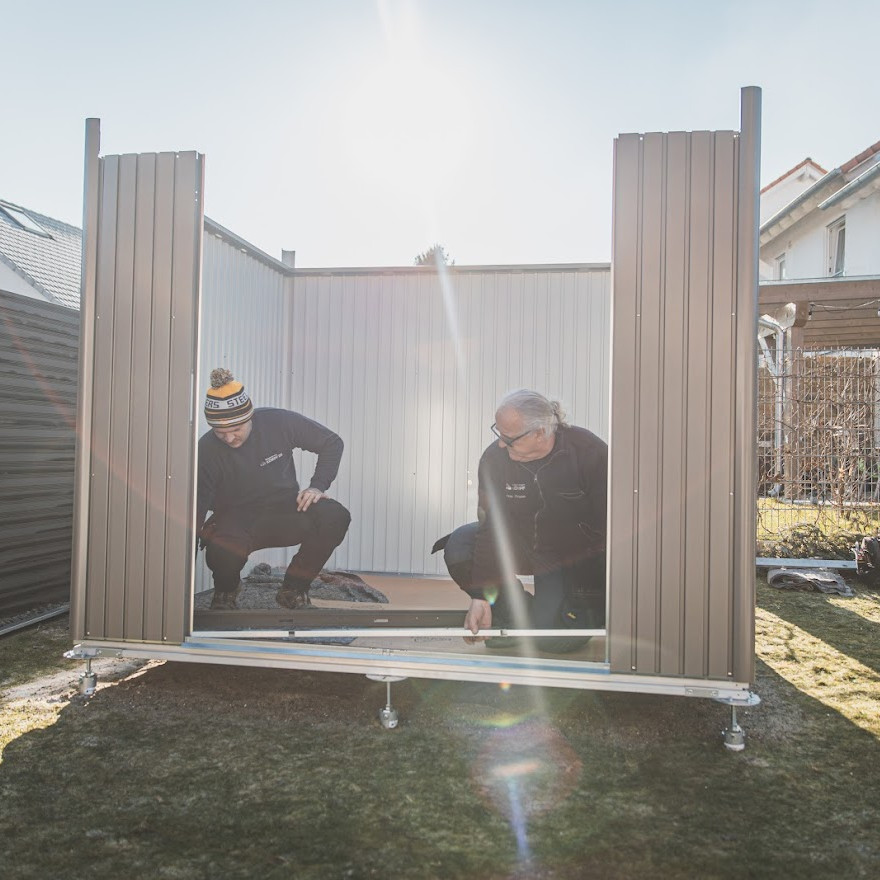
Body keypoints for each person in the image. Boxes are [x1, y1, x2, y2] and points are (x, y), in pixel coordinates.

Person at [435, 389, 607, 651]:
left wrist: (593, 597)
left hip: (571, 561)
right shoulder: (495, 459)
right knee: (461, 544)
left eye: (509, 438)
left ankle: (552, 620)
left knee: (553, 643)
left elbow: (611, 530)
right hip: (525, 545)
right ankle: (512, 616)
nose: (501, 444)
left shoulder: (588, 452)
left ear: (540, 432)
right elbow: (491, 528)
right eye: (499, 433)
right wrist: (481, 595)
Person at [196, 368, 351, 610]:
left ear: (249, 418)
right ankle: (227, 590)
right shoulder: (206, 449)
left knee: (335, 515)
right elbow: (197, 506)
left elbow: (332, 443)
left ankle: (293, 589)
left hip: (285, 509)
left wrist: (317, 487)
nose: (229, 439)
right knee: (219, 549)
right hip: (236, 517)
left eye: (236, 430)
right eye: (220, 433)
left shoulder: (276, 422)